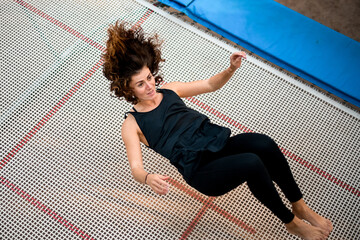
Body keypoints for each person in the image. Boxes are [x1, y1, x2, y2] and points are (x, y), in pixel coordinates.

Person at [102, 21, 333, 240]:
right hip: (201, 171)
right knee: (251, 163)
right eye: (140, 84)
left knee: (264, 143)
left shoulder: (170, 90)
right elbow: (135, 169)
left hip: (216, 145)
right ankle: (291, 222)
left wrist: (230, 69)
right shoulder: (132, 124)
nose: (150, 85)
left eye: (149, 77)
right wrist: (148, 177)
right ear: (128, 89)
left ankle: (299, 205)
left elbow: (210, 84)